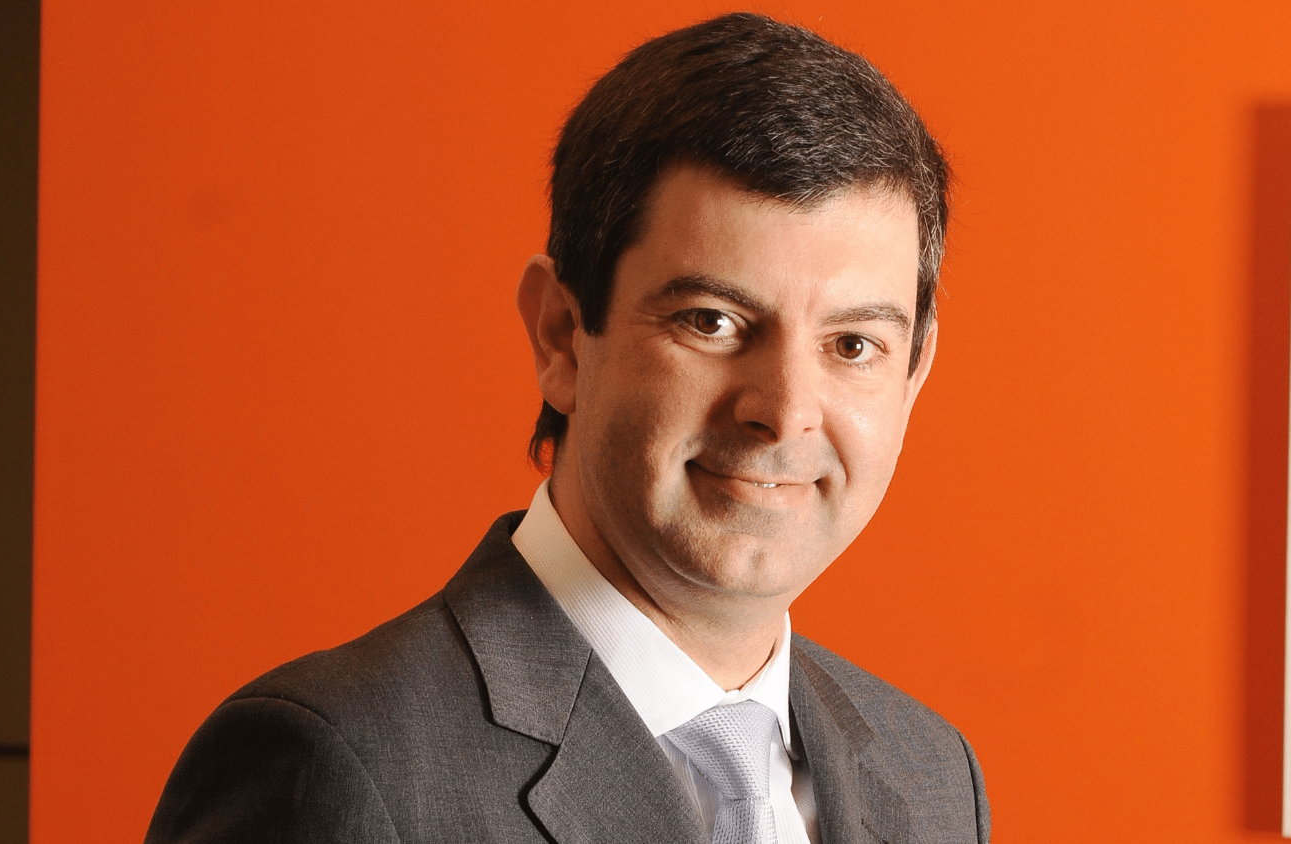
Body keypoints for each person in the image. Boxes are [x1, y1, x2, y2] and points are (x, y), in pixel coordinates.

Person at [146, 12, 989, 844]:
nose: (784, 410)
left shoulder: (930, 778)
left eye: (852, 344)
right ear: (559, 333)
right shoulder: (336, 766)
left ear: (913, 372)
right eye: (711, 321)